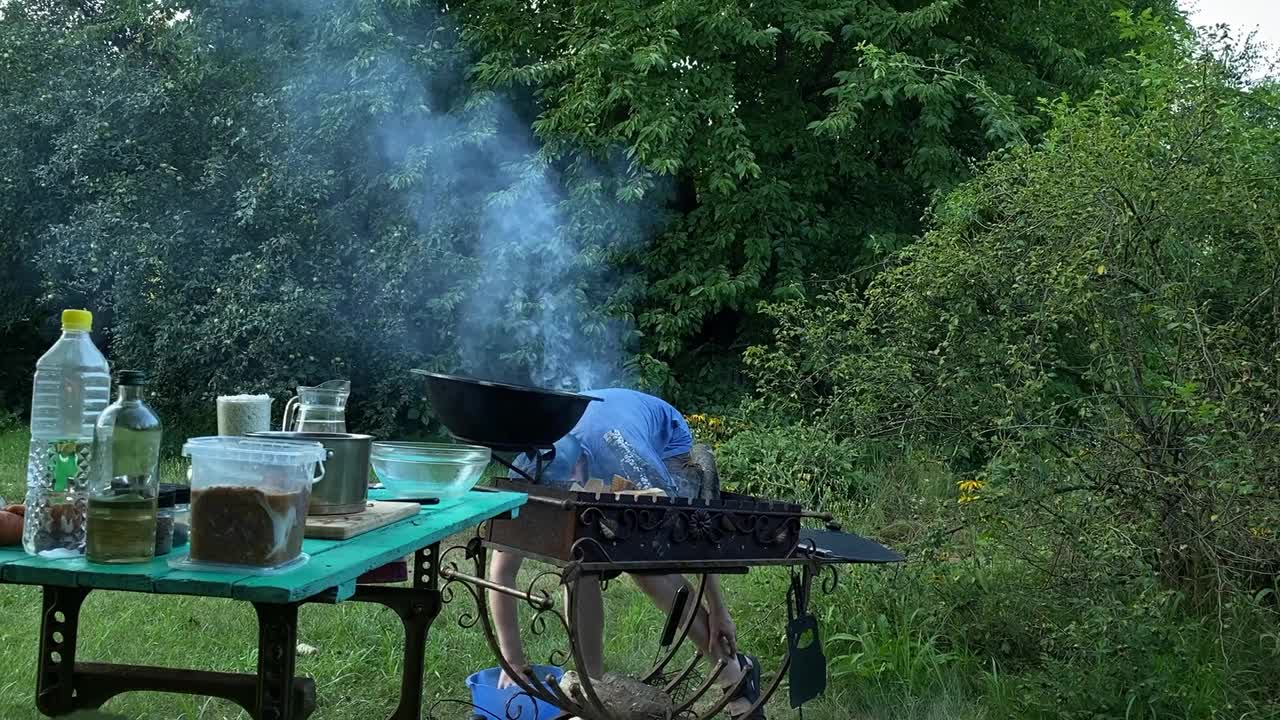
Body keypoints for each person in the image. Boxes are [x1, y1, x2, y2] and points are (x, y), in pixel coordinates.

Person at [487, 388, 764, 719]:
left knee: (646, 565)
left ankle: (734, 671)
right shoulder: (529, 467)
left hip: (665, 440)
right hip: (597, 430)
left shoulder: (629, 457)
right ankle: (591, 690)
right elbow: (501, 571)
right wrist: (513, 660)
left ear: (581, 464)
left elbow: (693, 529)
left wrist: (719, 608)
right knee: (580, 559)